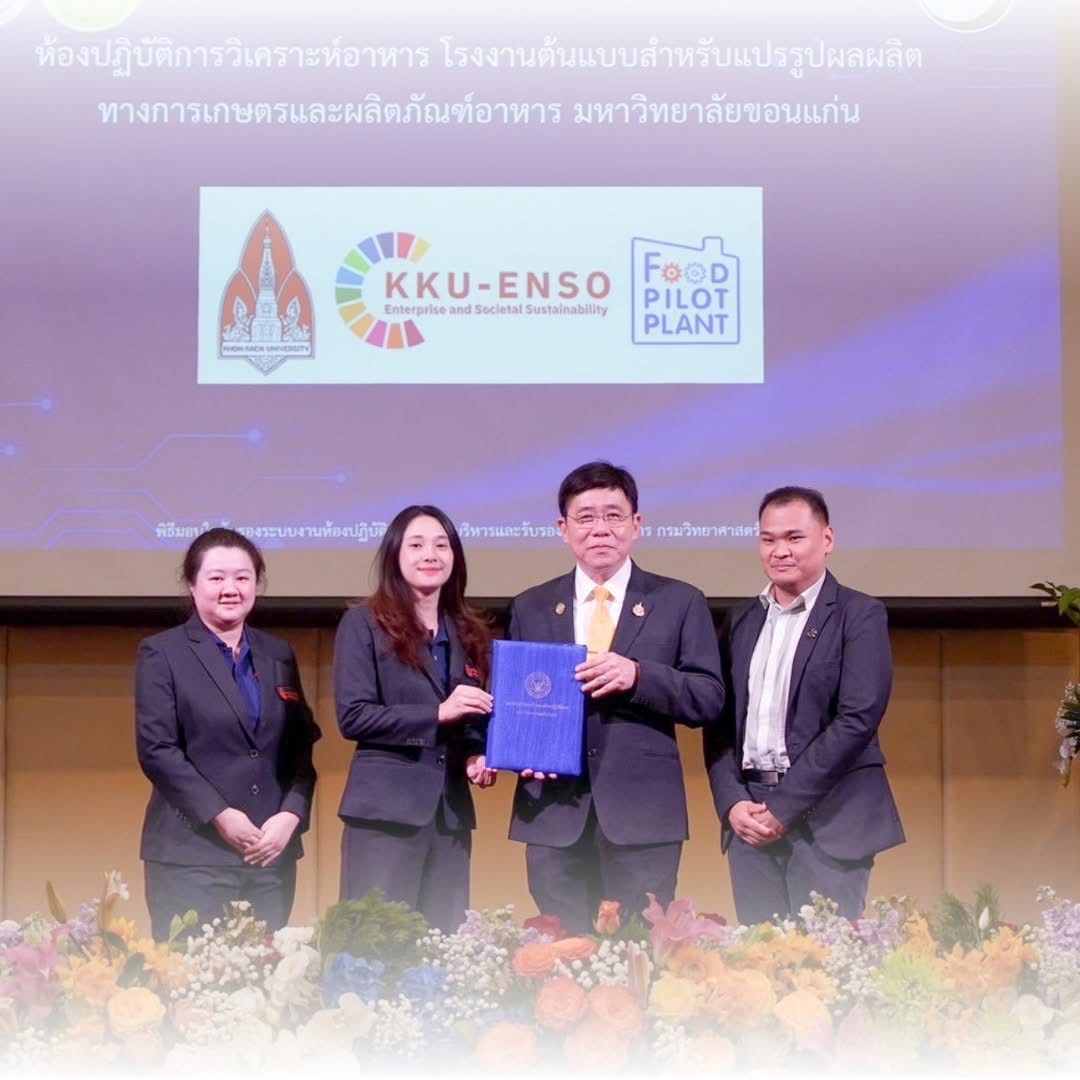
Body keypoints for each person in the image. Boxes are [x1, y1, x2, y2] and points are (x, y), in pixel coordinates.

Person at [506, 462, 725, 932]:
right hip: (554, 813)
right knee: (560, 955)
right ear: (563, 528)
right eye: (585, 517)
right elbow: (519, 700)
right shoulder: (531, 605)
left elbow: (708, 697)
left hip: (642, 816)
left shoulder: (680, 601)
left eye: (613, 515)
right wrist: (521, 751)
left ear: (636, 524)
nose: (600, 529)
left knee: (639, 953)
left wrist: (639, 676)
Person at [705, 486, 905, 924]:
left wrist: (784, 807)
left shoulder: (859, 614)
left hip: (829, 819)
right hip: (749, 821)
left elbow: (858, 719)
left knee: (826, 961)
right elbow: (719, 722)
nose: (780, 551)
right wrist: (732, 803)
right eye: (768, 539)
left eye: (794, 538)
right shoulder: (740, 619)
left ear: (827, 539)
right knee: (757, 959)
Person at [135, 528, 320, 940]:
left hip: (269, 856)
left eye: (242, 577)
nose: (230, 589)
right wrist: (220, 815)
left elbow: (301, 749)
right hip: (192, 856)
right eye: (216, 577)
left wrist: (291, 815)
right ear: (192, 584)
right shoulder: (163, 652)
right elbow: (158, 750)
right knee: (191, 976)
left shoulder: (277, 653)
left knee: (267, 976)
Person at [334, 505, 495, 931]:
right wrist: (438, 713)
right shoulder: (363, 624)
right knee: (377, 941)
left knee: (444, 944)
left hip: (449, 816)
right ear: (395, 555)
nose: (431, 555)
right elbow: (354, 716)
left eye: (442, 545)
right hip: (385, 817)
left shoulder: (470, 632)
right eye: (417, 545)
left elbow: (470, 722)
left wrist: (476, 756)